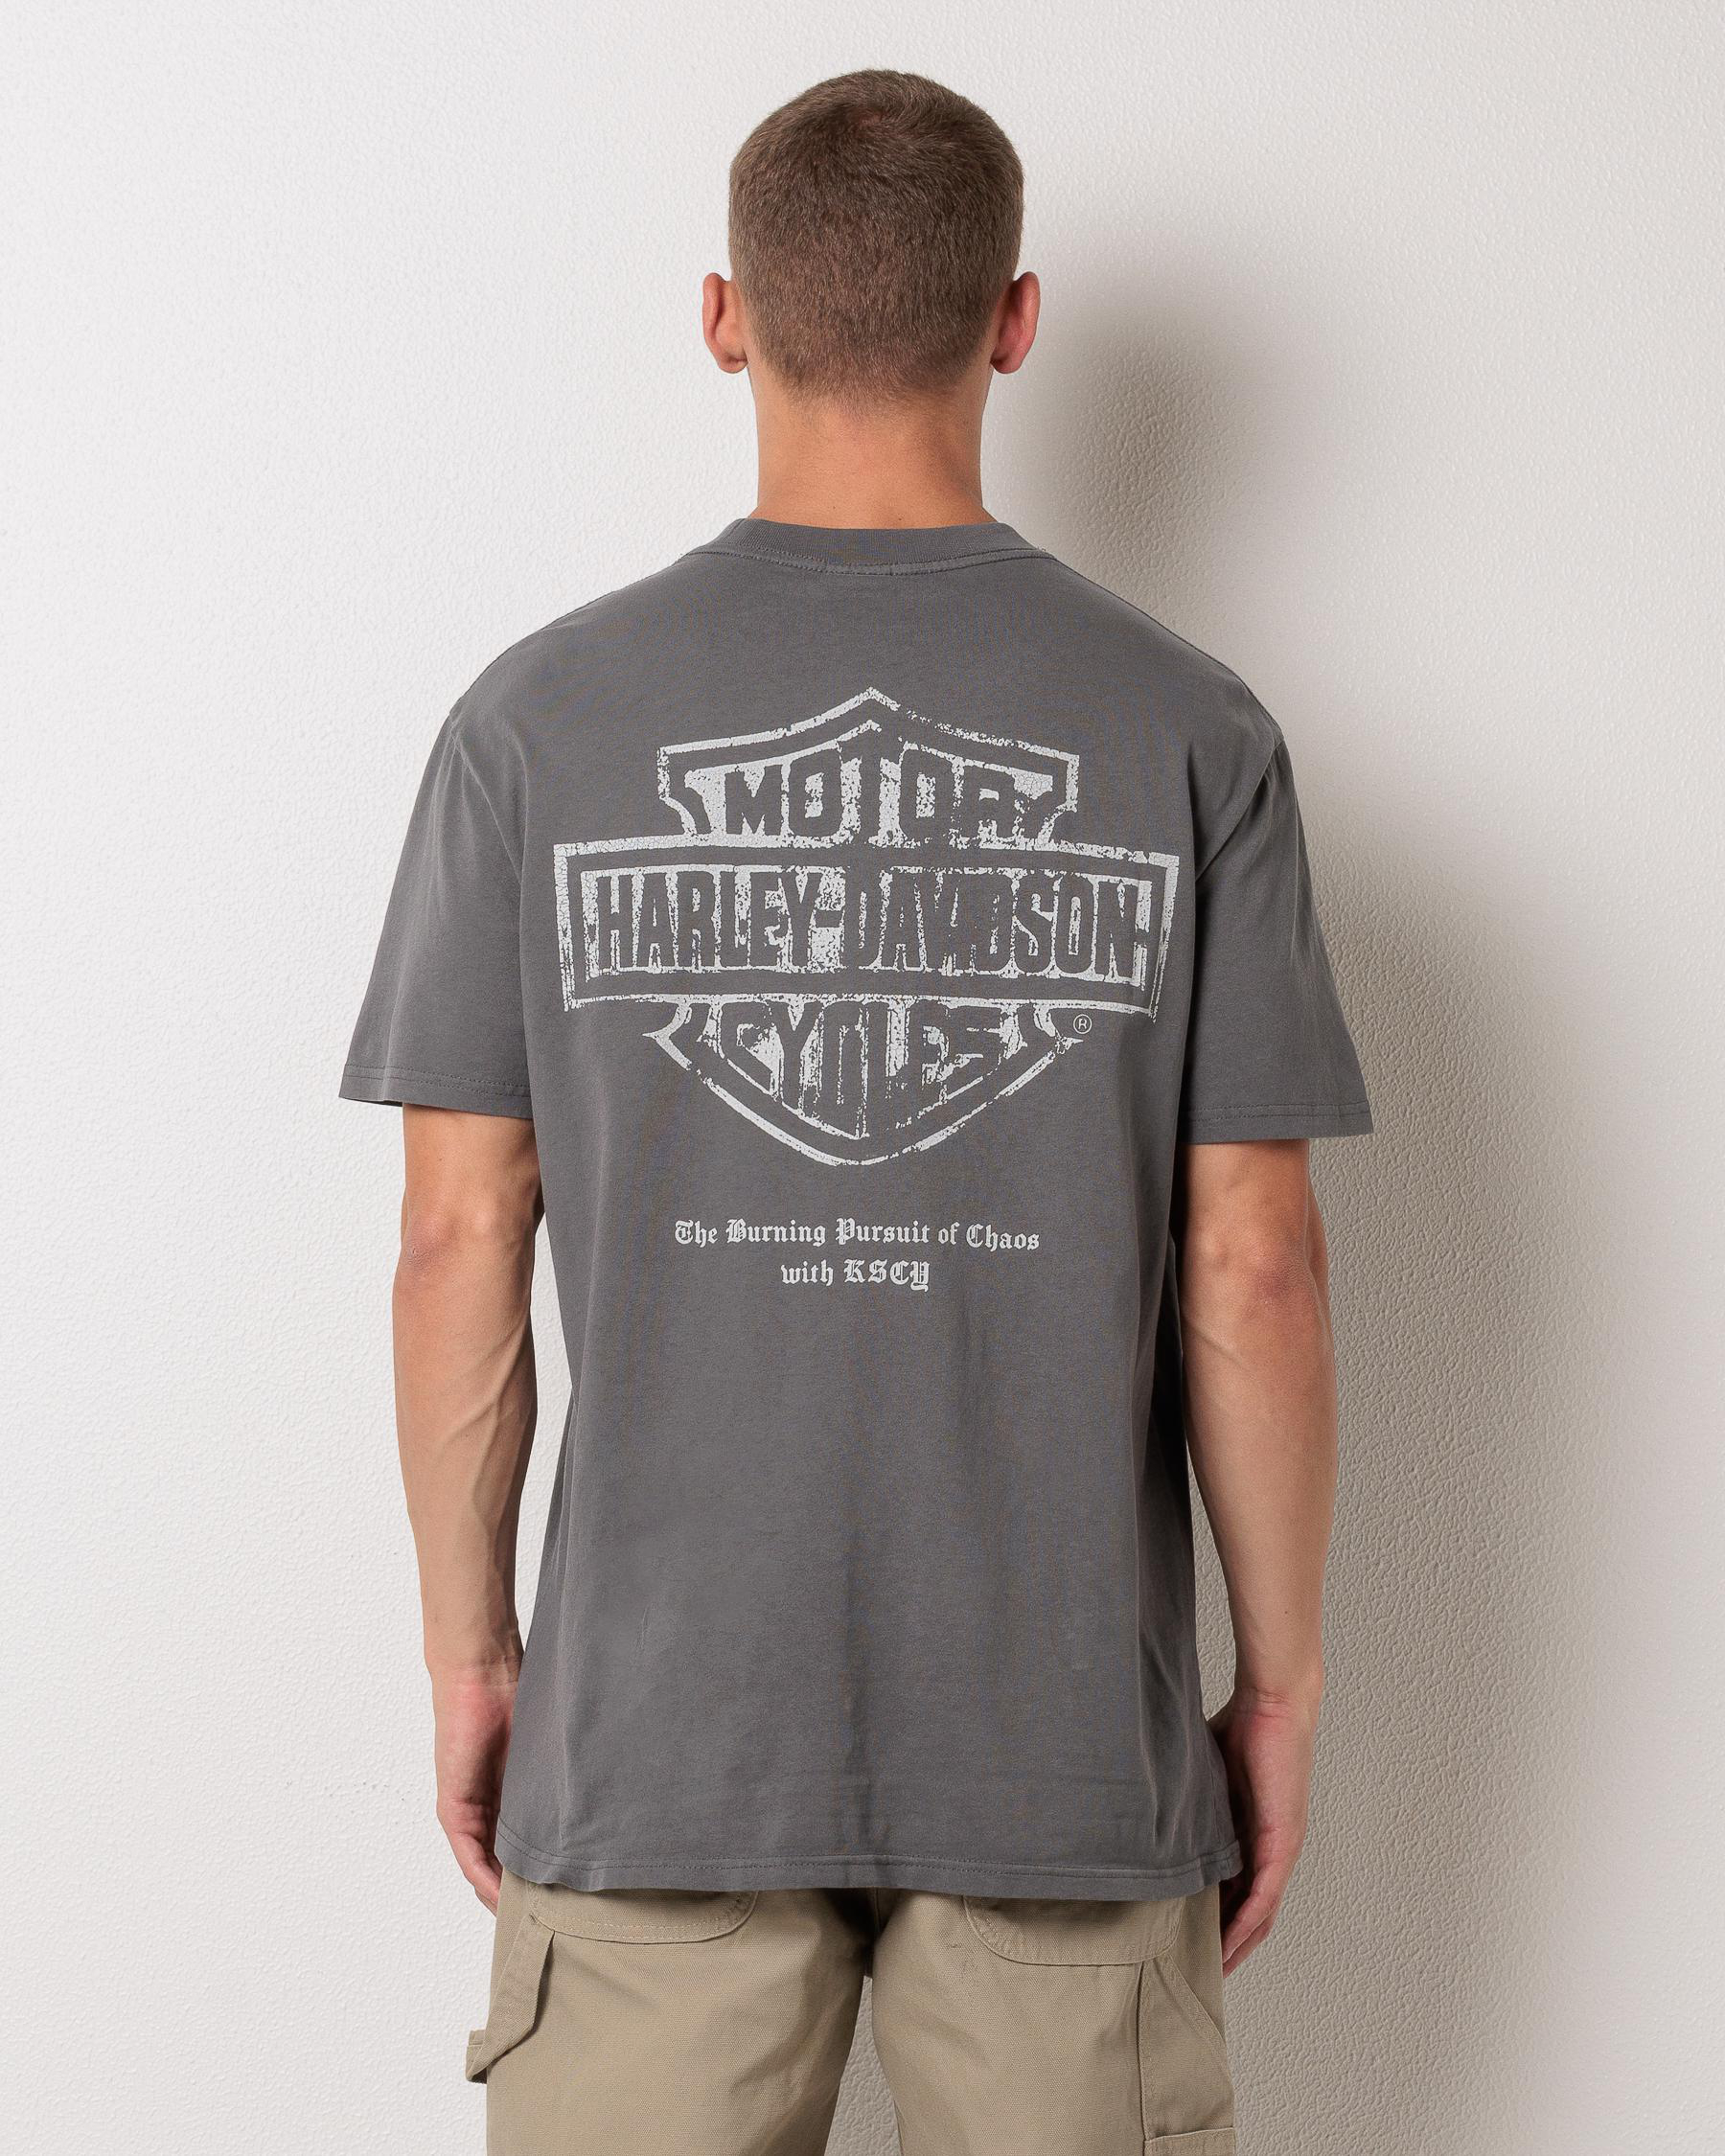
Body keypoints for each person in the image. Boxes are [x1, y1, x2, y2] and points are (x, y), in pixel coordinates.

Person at [341, 67, 1371, 2156]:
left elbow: (457, 1238)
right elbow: (1254, 1263)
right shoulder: (1192, 731)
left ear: (726, 318)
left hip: (659, 1737)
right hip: (1063, 1746)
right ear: (1017, 319)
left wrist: (475, 1657)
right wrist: (1276, 1686)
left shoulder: (533, 726)